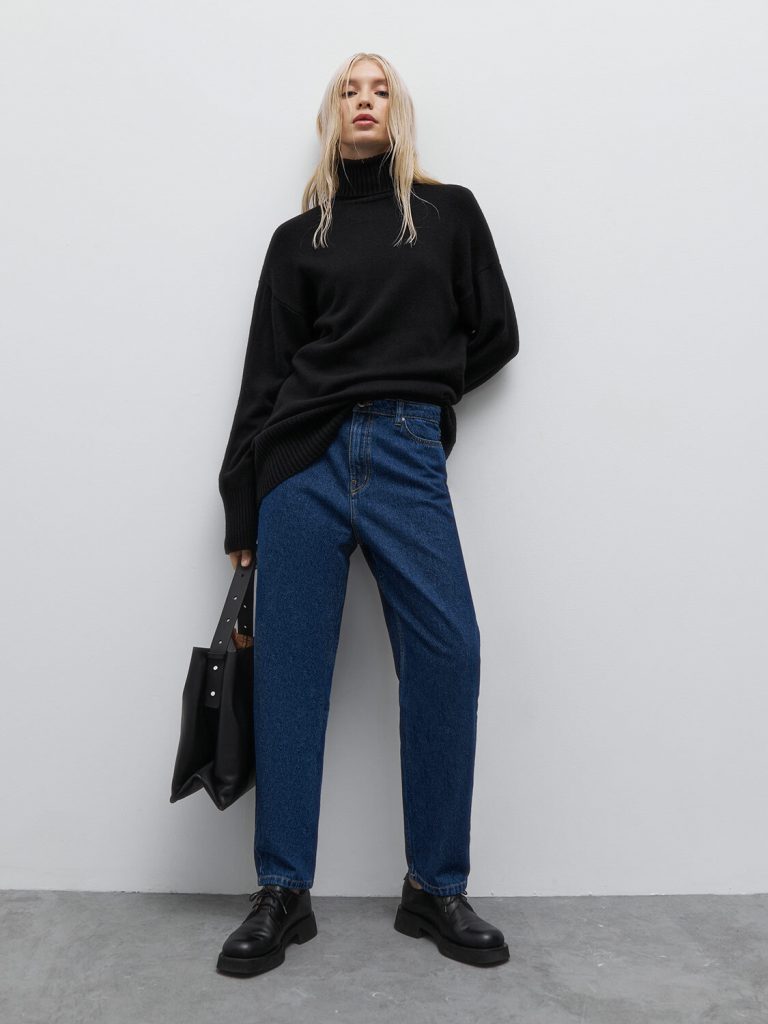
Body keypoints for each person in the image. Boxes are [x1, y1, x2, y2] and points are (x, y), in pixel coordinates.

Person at [215, 51, 519, 977]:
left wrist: (423, 391)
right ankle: (282, 892)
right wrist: (241, 507)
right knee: (292, 676)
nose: (364, 100)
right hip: (300, 460)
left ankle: (434, 886)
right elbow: (265, 376)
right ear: (330, 115)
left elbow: (497, 332)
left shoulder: (448, 214)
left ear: (399, 112)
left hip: (405, 453)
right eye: (349, 89)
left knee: (449, 653)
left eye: (379, 89)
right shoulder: (296, 238)